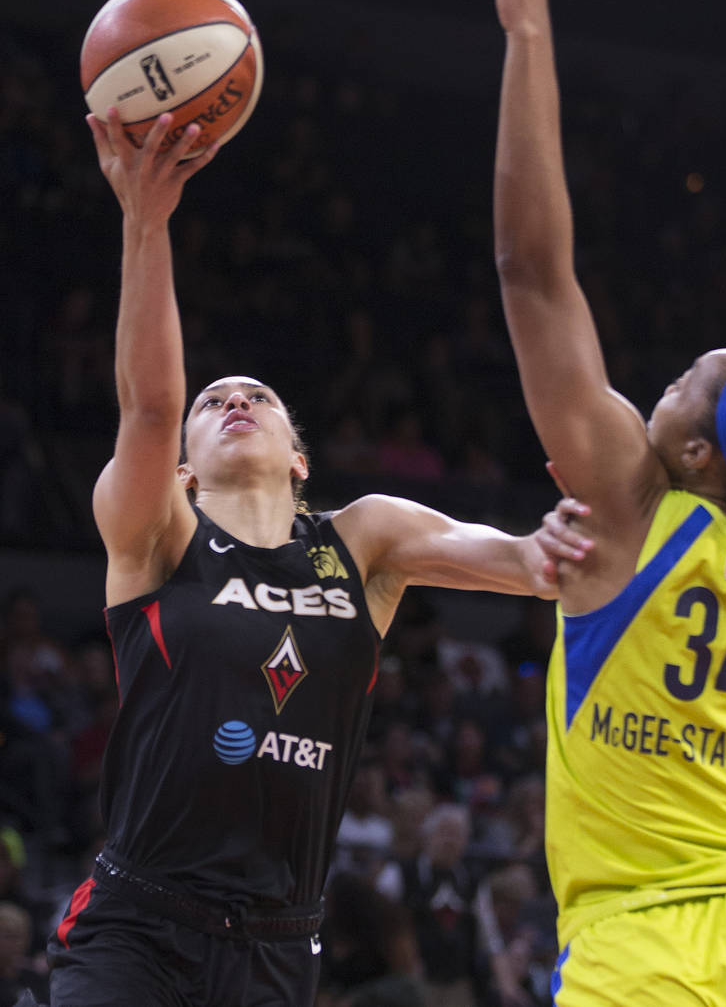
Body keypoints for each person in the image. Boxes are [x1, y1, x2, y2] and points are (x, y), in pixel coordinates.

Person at [43, 109, 591, 1007]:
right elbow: (146, 406)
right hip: (137, 927)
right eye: (214, 400)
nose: (236, 401)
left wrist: (550, 548)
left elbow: (511, 558)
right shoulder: (157, 533)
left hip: (278, 942)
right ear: (182, 467)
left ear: (300, 456)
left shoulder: (362, 537)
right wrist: (146, 221)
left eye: (258, 396)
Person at [490, 0, 726, 1003]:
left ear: (697, 457)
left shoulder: (625, 506)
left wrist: (527, 23)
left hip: (638, 945)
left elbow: (531, 271)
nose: (650, 391)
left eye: (672, 386)